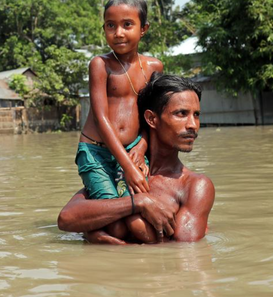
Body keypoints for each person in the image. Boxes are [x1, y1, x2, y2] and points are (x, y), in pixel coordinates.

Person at [60, 73, 215, 244]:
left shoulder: (195, 185)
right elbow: (67, 219)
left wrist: (94, 234)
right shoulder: (123, 170)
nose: (193, 125)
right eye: (181, 113)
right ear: (151, 119)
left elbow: (182, 254)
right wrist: (138, 203)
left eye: (196, 115)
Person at [75, 0, 163, 233]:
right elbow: (101, 119)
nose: (118, 33)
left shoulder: (154, 67)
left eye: (127, 25)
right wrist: (127, 167)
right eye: (110, 26)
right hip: (96, 152)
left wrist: (142, 146)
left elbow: (153, 116)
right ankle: (92, 229)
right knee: (115, 225)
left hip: (133, 151)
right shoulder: (100, 64)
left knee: (141, 225)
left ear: (143, 28)